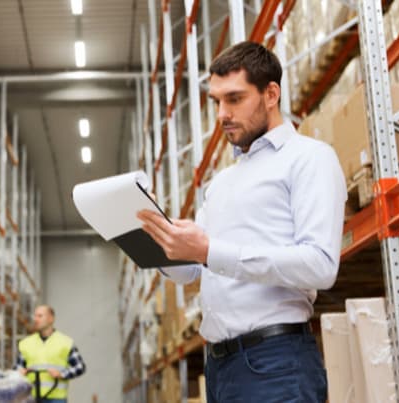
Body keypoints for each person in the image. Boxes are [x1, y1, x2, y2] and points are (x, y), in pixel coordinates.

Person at [137, 41, 346, 402]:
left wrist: (210, 250)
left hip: (275, 362)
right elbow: (195, 270)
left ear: (270, 94)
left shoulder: (309, 159)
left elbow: (321, 265)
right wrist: (156, 244)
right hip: (220, 367)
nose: (221, 114)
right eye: (216, 101)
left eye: (234, 99)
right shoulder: (222, 183)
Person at [16, 305, 86, 403]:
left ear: (51, 319)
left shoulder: (65, 342)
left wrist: (62, 374)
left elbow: (80, 367)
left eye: (40, 316)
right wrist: (19, 373)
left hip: (56, 399)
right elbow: (17, 369)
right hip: (30, 398)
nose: (36, 319)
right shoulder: (26, 343)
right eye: (35, 316)